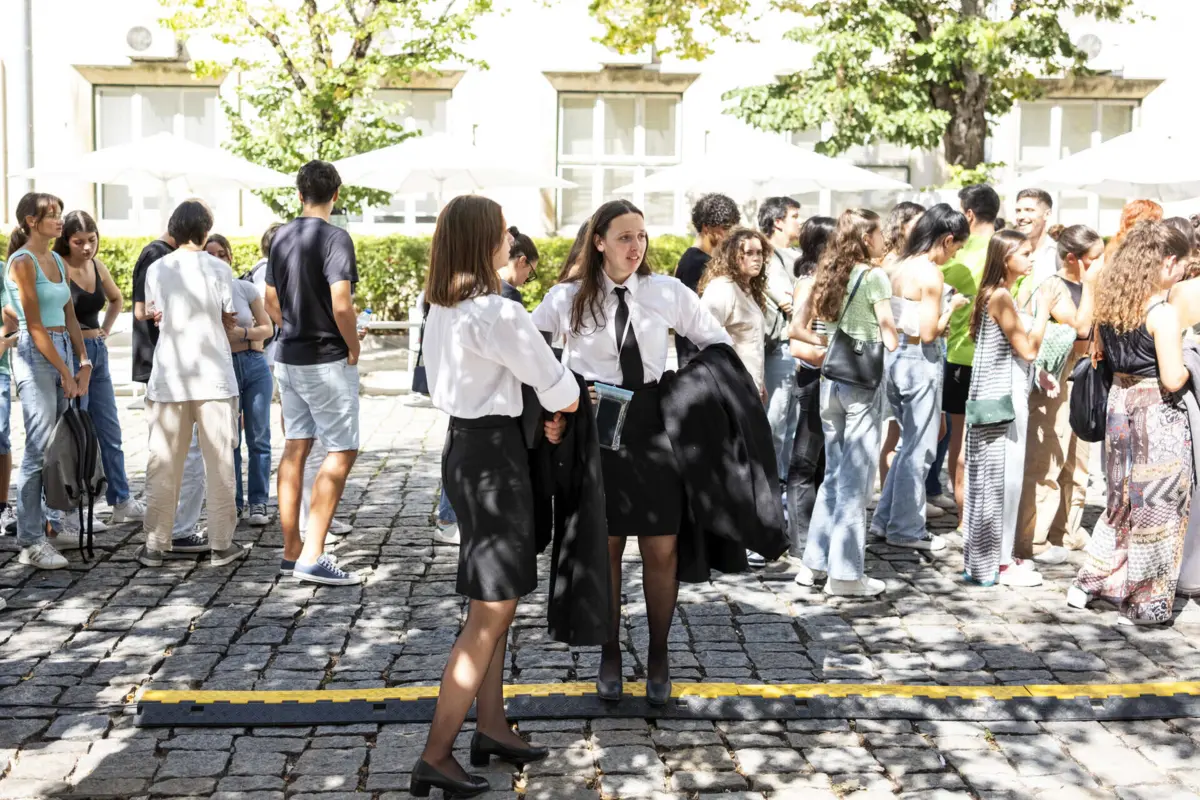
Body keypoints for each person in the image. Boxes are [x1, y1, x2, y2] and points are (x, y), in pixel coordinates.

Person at [532, 199, 732, 705]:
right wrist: (561, 400)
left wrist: (685, 392)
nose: (635, 246)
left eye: (641, 236)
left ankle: (660, 652)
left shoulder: (666, 291)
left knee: (661, 546)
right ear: (599, 241)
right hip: (597, 426)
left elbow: (716, 342)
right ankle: (610, 652)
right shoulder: (567, 297)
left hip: (652, 425)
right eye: (624, 236)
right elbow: (530, 352)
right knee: (608, 547)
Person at [412, 195, 578, 798]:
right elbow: (559, 388)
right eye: (503, 229)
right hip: (496, 459)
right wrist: (564, 401)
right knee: (491, 611)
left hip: (464, 450)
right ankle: (437, 751)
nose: (511, 237)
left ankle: (490, 726)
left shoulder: (442, 308)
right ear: (485, 239)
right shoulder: (497, 312)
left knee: (493, 602)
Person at [1068, 222, 1191, 625]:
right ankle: (1145, 603)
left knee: (1119, 502)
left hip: (1119, 405)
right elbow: (1173, 378)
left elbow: (1099, 351)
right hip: (1157, 413)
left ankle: (1091, 581)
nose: (1186, 271)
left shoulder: (1114, 304)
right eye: (1185, 264)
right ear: (1168, 262)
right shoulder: (1162, 313)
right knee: (1158, 506)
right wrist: (1193, 360)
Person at [265, 160, 362, 586]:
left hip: (287, 354)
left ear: (299, 194)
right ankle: (314, 553)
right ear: (335, 195)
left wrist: (290, 324)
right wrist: (354, 344)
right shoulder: (336, 238)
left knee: (295, 448)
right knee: (342, 451)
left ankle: (291, 551)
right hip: (325, 357)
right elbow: (342, 303)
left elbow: (269, 298)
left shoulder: (282, 235)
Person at [135, 200, 246, 569]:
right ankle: (221, 544)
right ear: (203, 230)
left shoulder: (156, 268)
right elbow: (229, 315)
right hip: (213, 376)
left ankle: (155, 544)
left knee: (163, 463)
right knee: (220, 465)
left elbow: (153, 314)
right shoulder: (218, 268)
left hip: (169, 377)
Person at [792, 209, 898, 597]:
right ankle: (846, 575)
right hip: (861, 386)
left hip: (829, 382)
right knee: (856, 481)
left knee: (834, 477)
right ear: (865, 238)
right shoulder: (874, 277)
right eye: (878, 233)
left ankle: (812, 566)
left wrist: (831, 342)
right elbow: (889, 336)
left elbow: (803, 326)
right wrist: (897, 331)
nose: (883, 239)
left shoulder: (828, 274)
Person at [870, 205, 971, 552]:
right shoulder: (930, 274)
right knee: (920, 449)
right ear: (946, 239)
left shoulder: (894, 263)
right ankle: (906, 529)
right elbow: (930, 333)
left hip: (893, 357)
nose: (954, 254)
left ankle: (885, 521)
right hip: (918, 358)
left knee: (906, 446)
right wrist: (951, 309)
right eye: (956, 247)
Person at [961, 230, 1055, 587]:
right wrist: (1044, 314)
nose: (1032, 258)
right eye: (1026, 253)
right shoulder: (1000, 295)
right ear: (1006, 257)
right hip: (1005, 399)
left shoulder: (999, 294)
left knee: (999, 477)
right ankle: (998, 563)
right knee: (1005, 478)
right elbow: (1027, 350)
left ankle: (993, 556)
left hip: (1006, 392)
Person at [5, 192, 90, 570]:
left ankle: (52, 525)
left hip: (62, 351)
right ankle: (30, 540)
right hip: (34, 354)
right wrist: (62, 370)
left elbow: (70, 316)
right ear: (30, 222)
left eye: (58, 214)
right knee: (39, 448)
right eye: (51, 216)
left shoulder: (56, 259)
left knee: (59, 445)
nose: (58, 220)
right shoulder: (22, 262)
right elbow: (34, 325)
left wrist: (82, 361)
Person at [1014, 225, 1104, 565]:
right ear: (1073, 258)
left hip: (1084, 380)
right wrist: (1094, 287)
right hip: (1054, 384)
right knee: (1045, 462)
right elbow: (1080, 328)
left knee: (1077, 464)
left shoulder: (1086, 284)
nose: (1100, 265)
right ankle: (1032, 540)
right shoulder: (1053, 285)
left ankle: (1066, 530)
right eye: (1095, 258)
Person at [54, 212, 142, 527]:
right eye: (79, 242)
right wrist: (76, 353)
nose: (87, 247)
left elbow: (116, 299)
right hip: (73, 354)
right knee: (78, 434)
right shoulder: (58, 265)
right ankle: (73, 511)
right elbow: (59, 314)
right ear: (67, 240)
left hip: (98, 353)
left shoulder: (96, 265)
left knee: (110, 430)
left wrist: (104, 329)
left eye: (91, 240)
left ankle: (122, 499)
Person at [938, 184, 1001, 532]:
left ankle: (964, 519)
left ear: (968, 214)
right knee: (990, 441)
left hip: (960, 356)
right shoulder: (1010, 249)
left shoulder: (957, 253)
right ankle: (985, 516)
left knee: (960, 440)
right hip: (996, 357)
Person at [205, 234, 275, 526]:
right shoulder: (201, 294)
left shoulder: (245, 288)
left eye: (222, 254)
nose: (218, 260)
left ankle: (258, 502)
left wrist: (244, 334)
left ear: (230, 258)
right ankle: (233, 502)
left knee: (259, 437)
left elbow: (267, 328)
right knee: (229, 438)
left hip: (254, 364)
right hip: (223, 366)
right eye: (211, 255)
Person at [786, 215, 834, 586]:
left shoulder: (827, 281)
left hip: (826, 377)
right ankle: (801, 545)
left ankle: (817, 540)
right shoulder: (808, 283)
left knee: (820, 465)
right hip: (813, 379)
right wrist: (832, 350)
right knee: (805, 462)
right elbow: (796, 340)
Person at [876, 201, 927, 506]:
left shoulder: (909, 260)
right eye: (917, 223)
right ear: (902, 225)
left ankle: (896, 497)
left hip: (910, 347)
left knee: (906, 432)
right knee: (897, 433)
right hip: (896, 350)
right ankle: (890, 498)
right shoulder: (889, 263)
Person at [759, 196, 803, 486]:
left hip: (793, 347)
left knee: (790, 424)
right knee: (775, 423)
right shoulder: (767, 255)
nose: (800, 222)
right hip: (778, 348)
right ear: (778, 222)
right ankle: (773, 487)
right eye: (795, 216)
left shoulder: (795, 255)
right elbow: (790, 303)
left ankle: (782, 486)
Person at [698, 227, 770, 393]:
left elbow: (752, 344)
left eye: (759, 253)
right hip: (731, 386)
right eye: (749, 252)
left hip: (750, 384)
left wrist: (760, 382)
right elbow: (705, 337)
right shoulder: (723, 287)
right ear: (733, 255)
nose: (756, 258)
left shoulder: (747, 288)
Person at [673, 193, 740, 366]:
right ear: (706, 227)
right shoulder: (696, 264)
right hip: (698, 363)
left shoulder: (697, 260)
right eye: (725, 227)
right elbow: (694, 319)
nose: (730, 233)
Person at [1013, 189, 1057, 286]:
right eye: (1018, 211)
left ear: (1047, 214)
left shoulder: (1057, 254)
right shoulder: (1009, 252)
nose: (1021, 216)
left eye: (1029, 210)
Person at [880, 201, 926, 271]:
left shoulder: (908, 257)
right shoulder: (891, 261)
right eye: (919, 223)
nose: (923, 228)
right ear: (901, 226)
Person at [499, 226, 537, 303]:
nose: (526, 280)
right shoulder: (511, 296)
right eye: (530, 272)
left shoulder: (481, 286)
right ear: (522, 261)